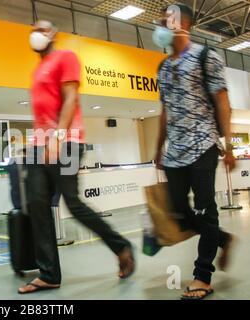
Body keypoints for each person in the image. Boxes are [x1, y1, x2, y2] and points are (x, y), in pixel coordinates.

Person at [18, 20, 135, 294]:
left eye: (42, 29)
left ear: (53, 34)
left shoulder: (65, 57)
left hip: (66, 142)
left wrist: (57, 138)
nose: (36, 33)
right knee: (37, 204)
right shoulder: (37, 70)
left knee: (73, 203)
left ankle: (121, 246)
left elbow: (70, 98)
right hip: (39, 147)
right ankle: (49, 275)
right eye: (33, 29)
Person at [153, 4, 237, 300]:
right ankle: (224, 239)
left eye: (166, 20)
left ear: (182, 23)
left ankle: (202, 276)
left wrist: (227, 146)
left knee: (205, 210)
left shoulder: (206, 56)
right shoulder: (162, 66)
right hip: (174, 151)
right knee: (178, 212)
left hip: (203, 145)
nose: (161, 26)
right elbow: (165, 110)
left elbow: (222, 102)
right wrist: (158, 147)